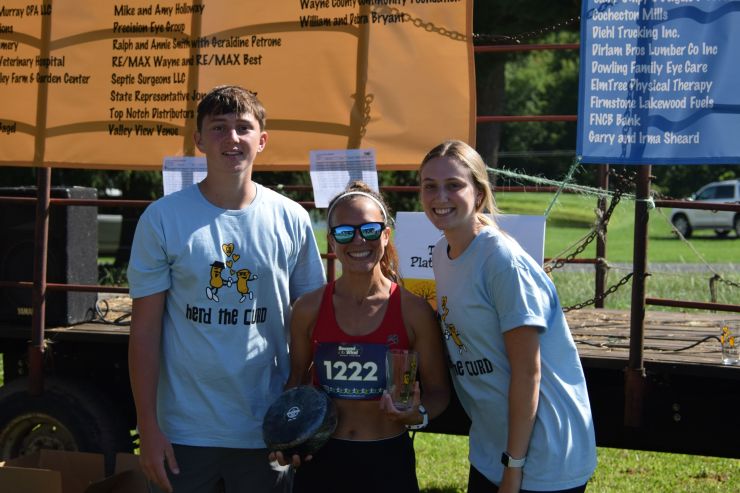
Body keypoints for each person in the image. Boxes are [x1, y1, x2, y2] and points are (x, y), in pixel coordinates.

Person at [127, 85, 326, 493]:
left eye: (243, 127)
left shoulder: (290, 218)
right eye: (218, 128)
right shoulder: (163, 218)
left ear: (262, 140)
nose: (231, 139)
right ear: (198, 139)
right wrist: (148, 427)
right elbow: (144, 331)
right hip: (183, 430)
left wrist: (296, 410)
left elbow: (310, 322)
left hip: (266, 428)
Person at [419, 140, 597, 493]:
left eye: (454, 185)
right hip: (492, 446)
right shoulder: (442, 252)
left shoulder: (502, 261)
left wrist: (513, 469)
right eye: (429, 186)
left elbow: (528, 372)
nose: (440, 196)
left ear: (479, 194)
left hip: (543, 453)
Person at [277, 181, 450, 493]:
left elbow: (439, 392)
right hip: (322, 459)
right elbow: (296, 383)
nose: (359, 240)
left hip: (387, 459)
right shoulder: (307, 309)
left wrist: (417, 413)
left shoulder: (414, 312)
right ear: (331, 241)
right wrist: (287, 435)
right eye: (345, 232)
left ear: (385, 235)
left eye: (369, 230)